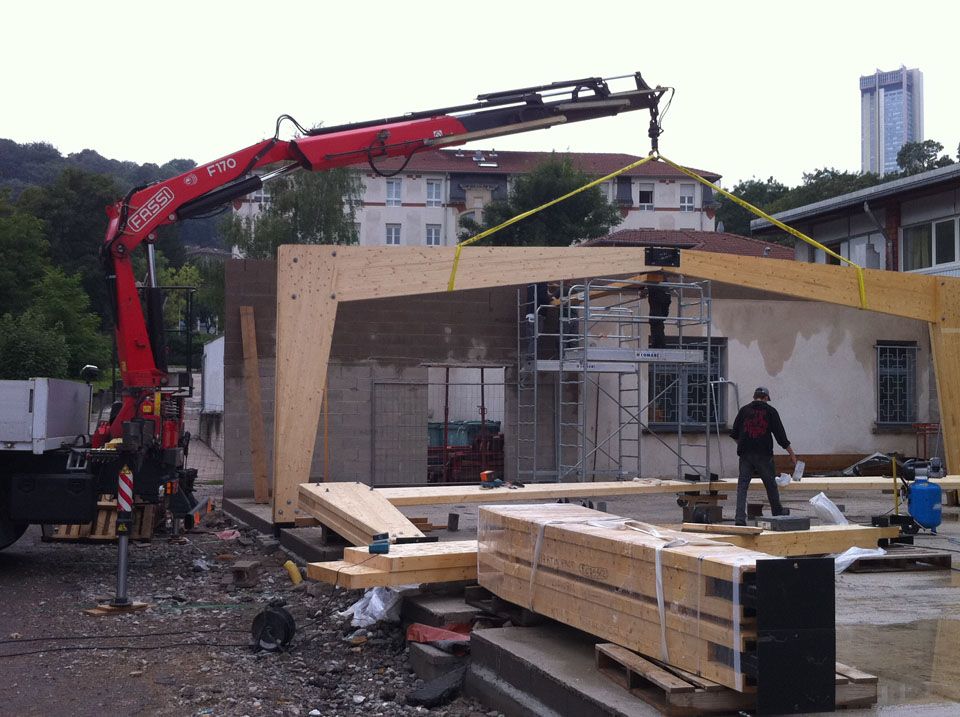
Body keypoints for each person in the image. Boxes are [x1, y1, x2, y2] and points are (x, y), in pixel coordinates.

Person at [729, 386, 797, 525]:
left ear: (754, 397)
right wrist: (792, 454)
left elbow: (734, 434)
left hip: (746, 455)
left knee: (742, 486)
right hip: (763, 455)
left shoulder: (744, 411)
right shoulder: (770, 411)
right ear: (766, 398)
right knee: (770, 484)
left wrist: (743, 444)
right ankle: (777, 512)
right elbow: (780, 436)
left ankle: (740, 518)